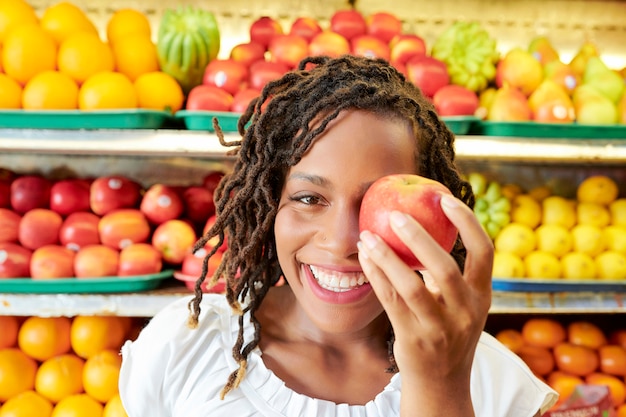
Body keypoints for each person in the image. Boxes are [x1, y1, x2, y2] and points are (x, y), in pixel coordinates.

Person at [118, 54, 557, 417]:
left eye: (371, 206)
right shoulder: (183, 347)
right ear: (271, 204)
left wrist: (440, 387)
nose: (342, 241)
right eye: (309, 198)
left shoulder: (492, 382)